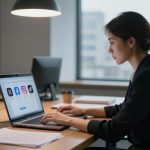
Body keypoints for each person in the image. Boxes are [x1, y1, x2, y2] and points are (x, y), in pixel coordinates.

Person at [41, 11, 150, 150]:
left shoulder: (146, 75)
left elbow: (113, 130)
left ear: (130, 42)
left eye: (112, 42)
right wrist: (82, 110)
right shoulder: (142, 70)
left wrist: (66, 120)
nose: (109, 50)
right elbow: (124, 108)